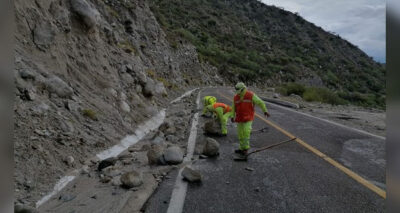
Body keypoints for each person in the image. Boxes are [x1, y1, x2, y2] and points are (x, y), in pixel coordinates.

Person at [231, 82, 270, 155]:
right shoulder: (236, 97)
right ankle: (241, 148)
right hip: (239, 118)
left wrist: (265, 111)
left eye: (239, 92)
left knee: (246, 132)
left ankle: (245, 149)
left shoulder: (251, 95)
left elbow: (260, 102)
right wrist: (232, 116)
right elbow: (233, 108)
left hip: (248, 117)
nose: (238, 93)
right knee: (240, 134)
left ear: (243, 89)